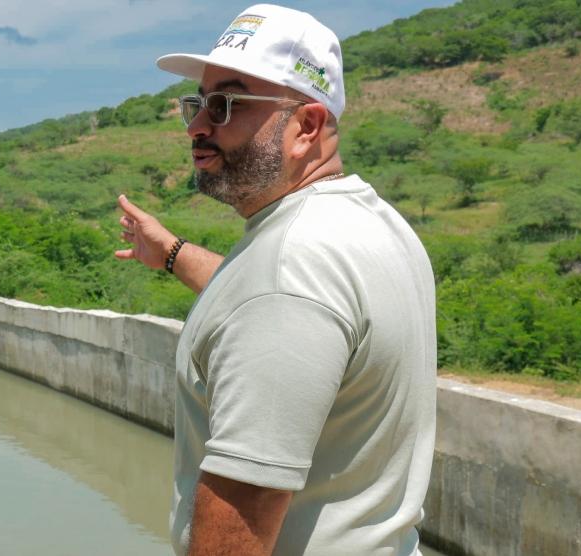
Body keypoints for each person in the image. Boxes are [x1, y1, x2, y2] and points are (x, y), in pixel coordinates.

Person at [114, 4, 437, 555]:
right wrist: (171, 253)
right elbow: (270, 305)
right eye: (197, 102)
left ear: (305, 126)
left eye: (226, 104)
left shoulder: (290, 271)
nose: (197, 125)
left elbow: (241, 518)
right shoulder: (366, 220)